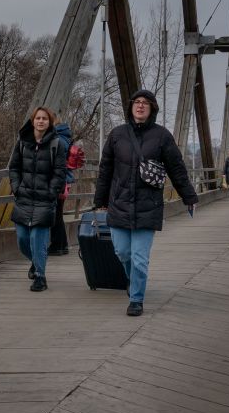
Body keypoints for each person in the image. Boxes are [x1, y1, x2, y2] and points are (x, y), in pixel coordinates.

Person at [94, 89, 198, 317]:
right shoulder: (116, 135)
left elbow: (177, 169)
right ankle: (132, 280)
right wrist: (100, 200)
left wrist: (189, 197)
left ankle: (136, 299)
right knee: (122, 252)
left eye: (145, 103)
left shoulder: (162, 136)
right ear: (131, 106)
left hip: (147, 206)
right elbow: (105, 170)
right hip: (119, 204)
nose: (140, 106)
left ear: (152, 108)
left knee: (140, 258)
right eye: (136, 102)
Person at [9, 106, 67, 291]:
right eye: (38, 118)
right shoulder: (22, 142)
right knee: (22, 240)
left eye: (45, 119)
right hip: (24, 198)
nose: (41, 121)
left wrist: (52, 193)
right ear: (32, 121)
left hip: (44, 199)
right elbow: (14, 167)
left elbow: (60, 173)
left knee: (37, 239)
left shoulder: (57, 144)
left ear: (49, 123)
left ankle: (40, 277)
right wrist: (16, 188)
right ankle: (35, 262)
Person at [49, 122, 75, 256]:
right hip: (66, 181)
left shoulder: (58, 140)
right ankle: (62, 244)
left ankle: (57, 245)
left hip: (61, 182)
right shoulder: (66, 138)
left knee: (55, 215)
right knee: (58, 214)